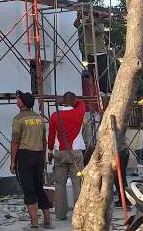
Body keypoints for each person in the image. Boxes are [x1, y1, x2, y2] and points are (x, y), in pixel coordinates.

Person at [11, 90, 53, 229]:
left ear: (23, 103)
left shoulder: (18, 119)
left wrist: (12, 162)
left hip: (25, 156)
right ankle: (47, 219)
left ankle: (34, 223)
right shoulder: (39, 118)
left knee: (29, 189)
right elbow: (44, 140)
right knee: (39, 187)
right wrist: (43, 155)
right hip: (38, 155)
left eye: (19, 99)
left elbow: (15, 142)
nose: (17, 100)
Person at [47, 92, 86, 220]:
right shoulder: (79, 112)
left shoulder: (54, 115)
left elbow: (51, 136)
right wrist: (70, 102)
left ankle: (60, 214)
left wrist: (50, 151)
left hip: (59, 153)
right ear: (74, 101)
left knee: (60, 184)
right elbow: (81, 103)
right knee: (77, 183)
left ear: (63, 101)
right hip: (75, 153)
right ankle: (79, 214)